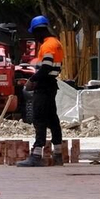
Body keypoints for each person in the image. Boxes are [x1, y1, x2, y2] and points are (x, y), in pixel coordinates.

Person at [17, 15, 65, 167]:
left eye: (34, 34)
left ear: (39, 31)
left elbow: (46, 68)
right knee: (52, 120)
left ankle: (36, 156)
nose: (34, 37)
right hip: (51, 85)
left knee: (39, 120)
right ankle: (58, 155)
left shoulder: (47, 46)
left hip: (44, 86)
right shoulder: (56, 43)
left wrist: (32, 80)